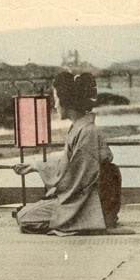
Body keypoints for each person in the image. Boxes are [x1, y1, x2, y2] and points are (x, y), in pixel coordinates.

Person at [13, 72, 112, 235]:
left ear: (67, 102)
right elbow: (68, 167)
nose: (55, 105)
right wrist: (34, 166)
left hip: (88, 201)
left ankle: (86, 222)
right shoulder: (81, 128)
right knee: (24, 214)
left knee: (25, 218)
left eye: (56, 99)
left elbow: (76, 177)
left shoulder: (87, 132)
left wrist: (42, 172)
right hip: (80, 196)